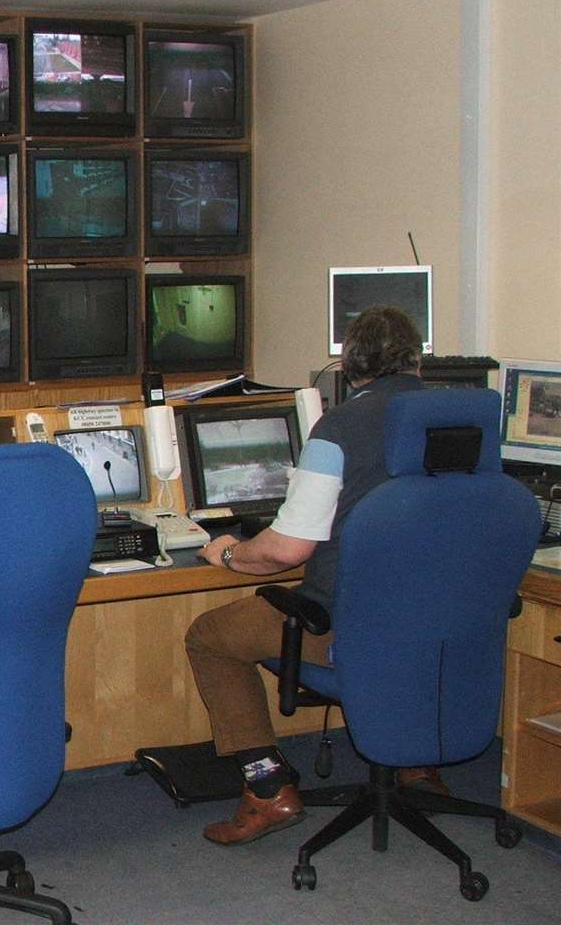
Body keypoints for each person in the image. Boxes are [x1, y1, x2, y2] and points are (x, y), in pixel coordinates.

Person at [185, 306, 434, 845]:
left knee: (209, 636)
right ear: (417, 360)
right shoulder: (464, 418)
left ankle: (269, 789)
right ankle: (418, 764)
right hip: (444, 621)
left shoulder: (339, 428)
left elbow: (287, 551)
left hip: (346, 626)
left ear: (349, 369)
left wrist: (228, 553)